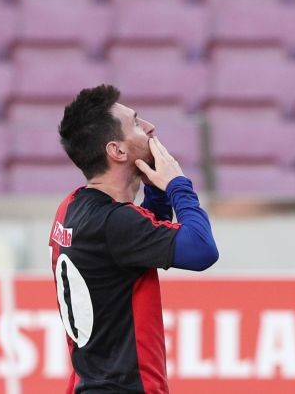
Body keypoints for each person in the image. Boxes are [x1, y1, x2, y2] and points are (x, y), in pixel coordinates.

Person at [49, 84, 219, 393]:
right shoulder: (116, 224)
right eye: (138, 124)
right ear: (117, 151)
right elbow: (202, 250)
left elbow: (139, 240)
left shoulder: (72, 206)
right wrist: (177, 185)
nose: (151, 128)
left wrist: (155, 189)